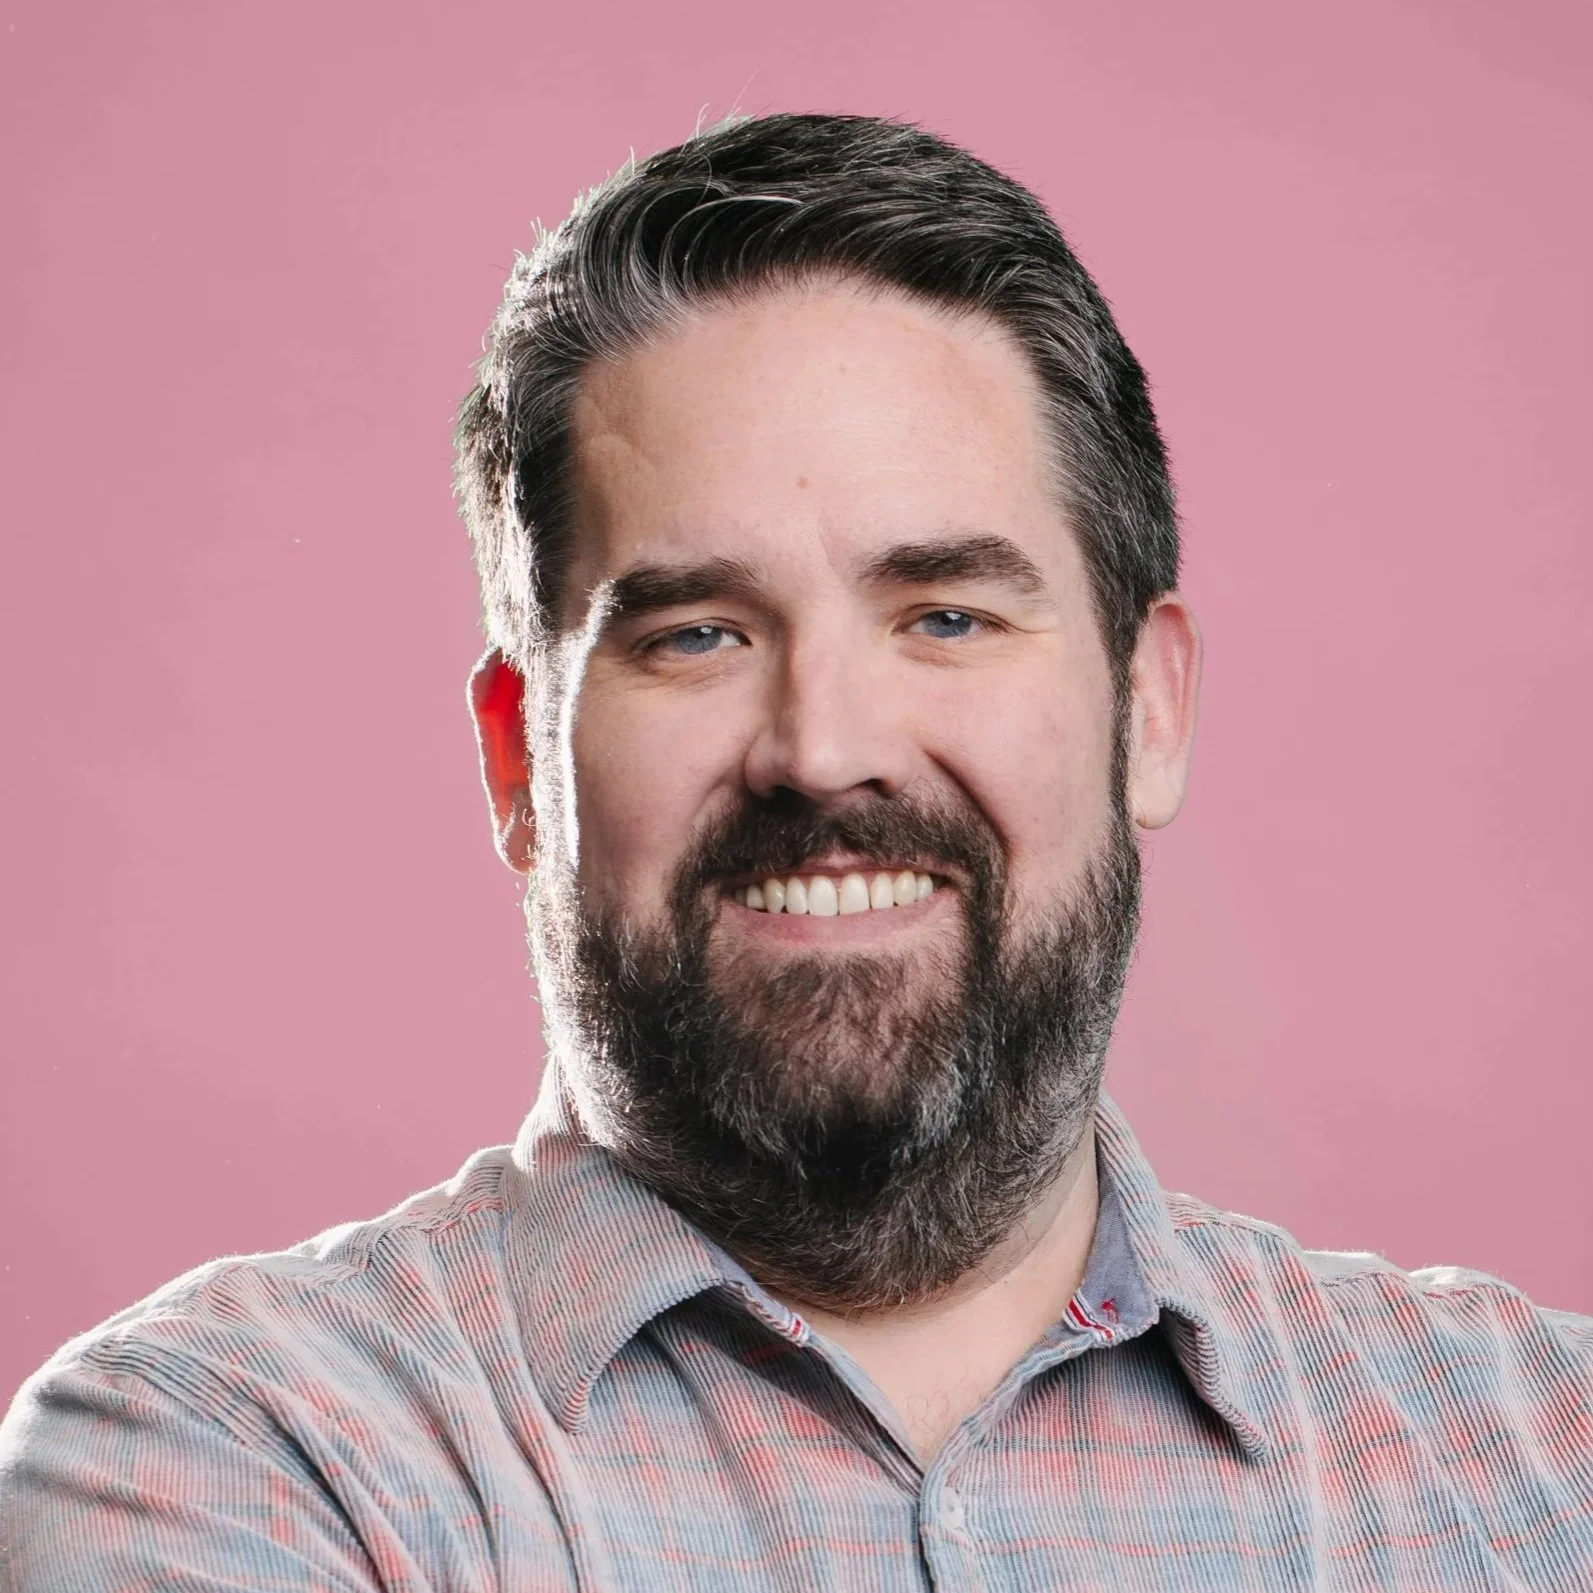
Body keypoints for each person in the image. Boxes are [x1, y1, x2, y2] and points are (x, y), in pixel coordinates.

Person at [2, 111, 1589, 1592]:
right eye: (696, 636)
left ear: (1148, 709)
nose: (823, 749)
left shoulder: (1539, 1466)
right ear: (517, 762)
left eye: (947, 616)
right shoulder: (226, 1464)